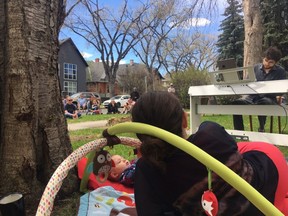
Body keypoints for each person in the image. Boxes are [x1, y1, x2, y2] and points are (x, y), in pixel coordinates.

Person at [131, 91, 288, 215]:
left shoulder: (146, 169)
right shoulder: (210, 133)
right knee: (239, 150)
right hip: (267, 187)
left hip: (255, 194)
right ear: (184, 120)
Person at [232, 46, 286, 132]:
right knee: (236, 103)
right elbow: (246, 83)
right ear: (263, 58)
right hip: (252, 98)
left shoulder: (280, 72)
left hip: (269, 99)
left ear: (276, 62)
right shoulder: (255, 68)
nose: (267, 63)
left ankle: (261, 128)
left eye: (271, 62)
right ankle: (239, 131)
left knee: (264, 101)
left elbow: (282, 90)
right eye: (265, 60)